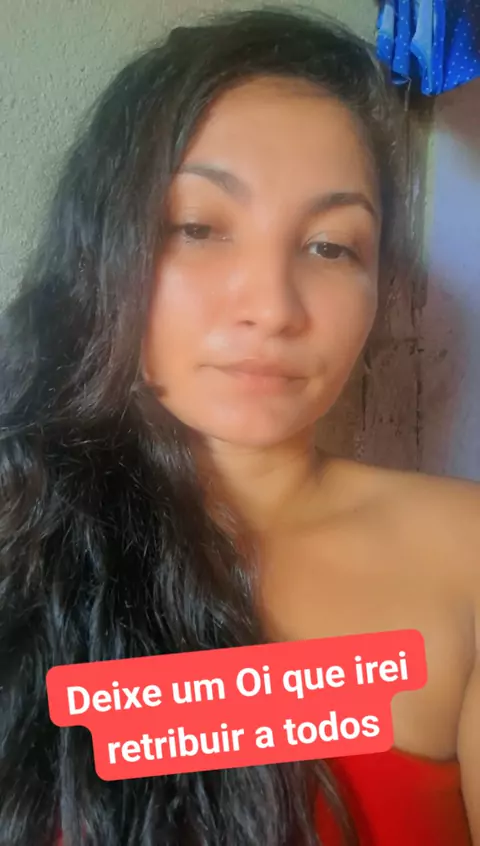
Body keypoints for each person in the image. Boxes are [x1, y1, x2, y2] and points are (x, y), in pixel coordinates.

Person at [0, 8, 478, 846]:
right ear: (106, 251)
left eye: (331, 247)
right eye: (198, 228)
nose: (272, 306)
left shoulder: (463, 552)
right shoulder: (21, 536)